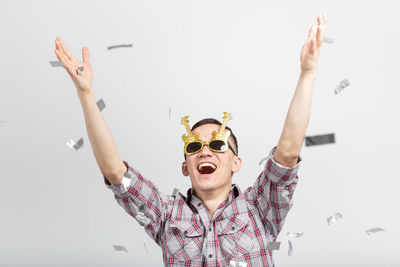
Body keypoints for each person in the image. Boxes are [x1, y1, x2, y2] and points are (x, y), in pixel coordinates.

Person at [54, 13, 327, 266]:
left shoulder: (260, 208)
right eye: (194, 147)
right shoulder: (165, 216)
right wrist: (87, 95)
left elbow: (287, 154)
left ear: (236, 163)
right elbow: (116, 174)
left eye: (218, 145)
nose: (205, 152)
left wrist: (307, 74)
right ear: (185, 166)